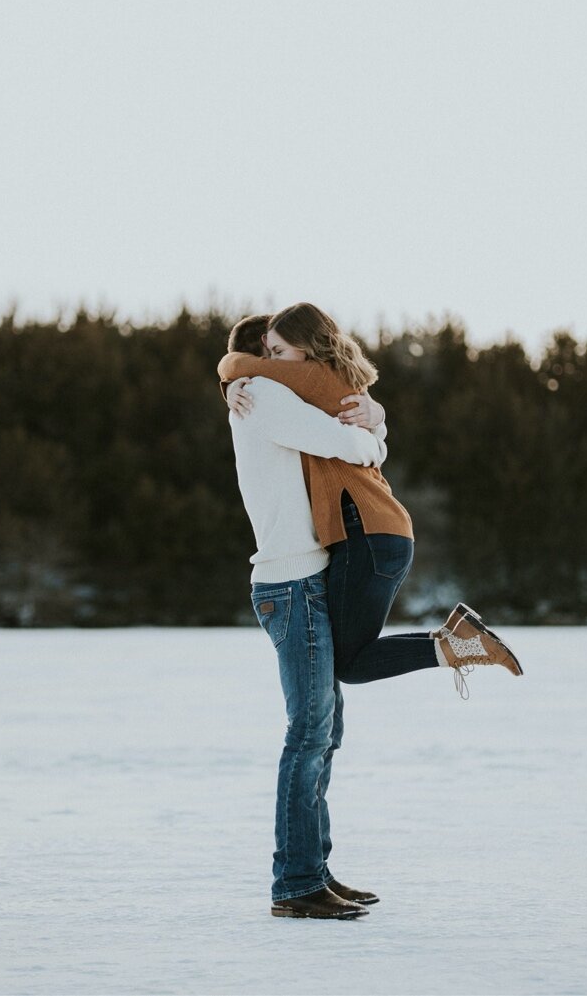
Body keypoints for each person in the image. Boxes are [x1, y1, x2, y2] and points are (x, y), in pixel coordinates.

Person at [220, 303, 524, 697]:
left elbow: (349, 441)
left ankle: (461, 645)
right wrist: (378, 423)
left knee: (350, 664)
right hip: (376, 532)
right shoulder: (317, 384)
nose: (273, 363)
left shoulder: (303, 380)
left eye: (279, 352)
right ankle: (457, 639)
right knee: (350, 657)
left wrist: (232, 372)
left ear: (303, 348)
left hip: (366, 532)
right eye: (270, 354)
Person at [221, 312, 384, 919]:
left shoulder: (264, 391)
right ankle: (294, 884)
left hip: (304, 578)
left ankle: (312, 870)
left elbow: (352, 429)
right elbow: (345, 443)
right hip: (289, 583)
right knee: (308, 735)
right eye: (273, 353)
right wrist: (371, 436)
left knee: (324, 733)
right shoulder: (259, 393)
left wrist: (377, 422)